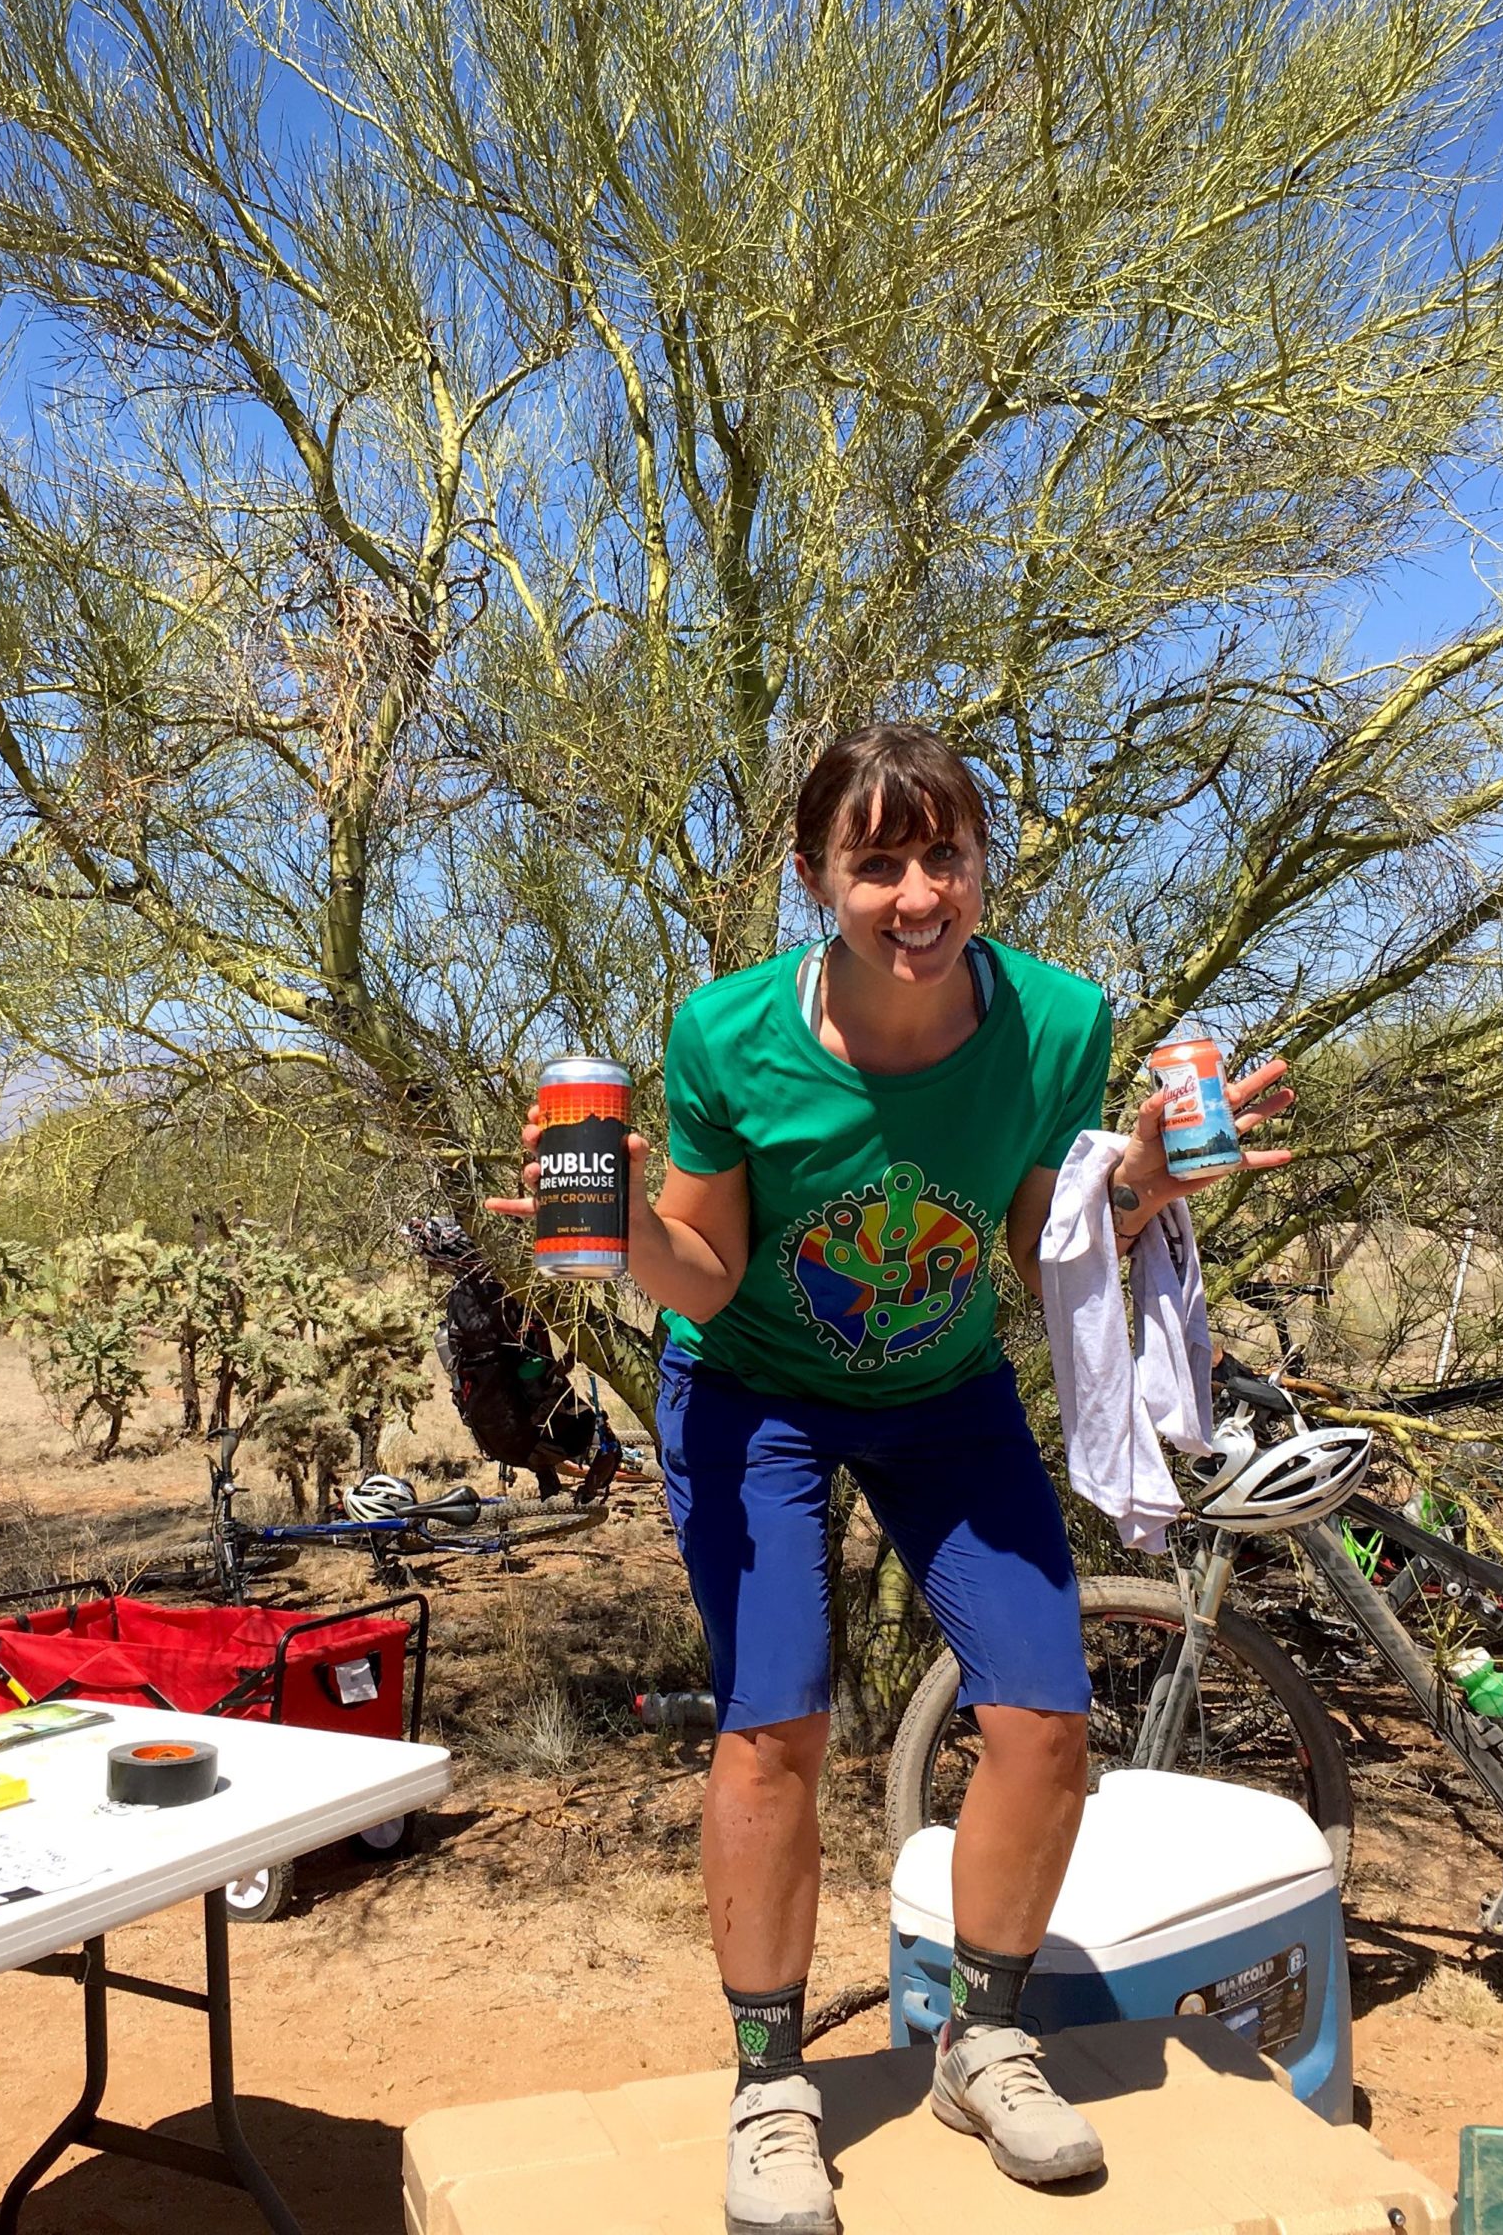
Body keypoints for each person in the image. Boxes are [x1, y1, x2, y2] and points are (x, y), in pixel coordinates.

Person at [495, 723, 1291, 2235]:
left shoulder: (1058, 1022)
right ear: (816, 878)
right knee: (772, 1728)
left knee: (1045, 1723)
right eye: (876, 865)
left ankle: (983, 2044)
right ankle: (768, 2088)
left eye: (945, 857)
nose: (917, 896)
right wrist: (616, 1228)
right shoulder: (729, 1036)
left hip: (943, 1394)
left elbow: (1039, 1247)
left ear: (982, 863)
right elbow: (707, 1275)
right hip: (755, 1400)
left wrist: (1140, 1183)